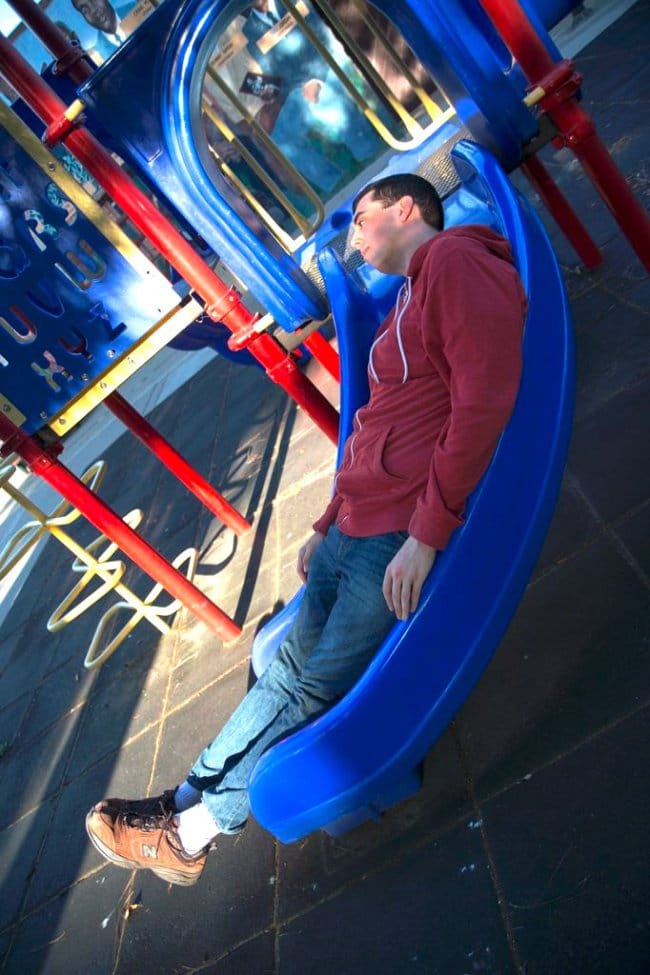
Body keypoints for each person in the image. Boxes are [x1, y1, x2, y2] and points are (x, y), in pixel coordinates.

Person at [85, 173, 526, 886]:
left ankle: (193, 834)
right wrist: (327, 518)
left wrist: (426, 533)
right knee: (287, 671)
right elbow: (372, 424)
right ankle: (184, 799)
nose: (355, 236)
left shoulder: (453, 259)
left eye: (362, 219)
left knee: (313, 688)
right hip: (356, 522)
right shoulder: (411, 293)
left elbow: (484, 397)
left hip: (396, 532)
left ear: (406, 209)